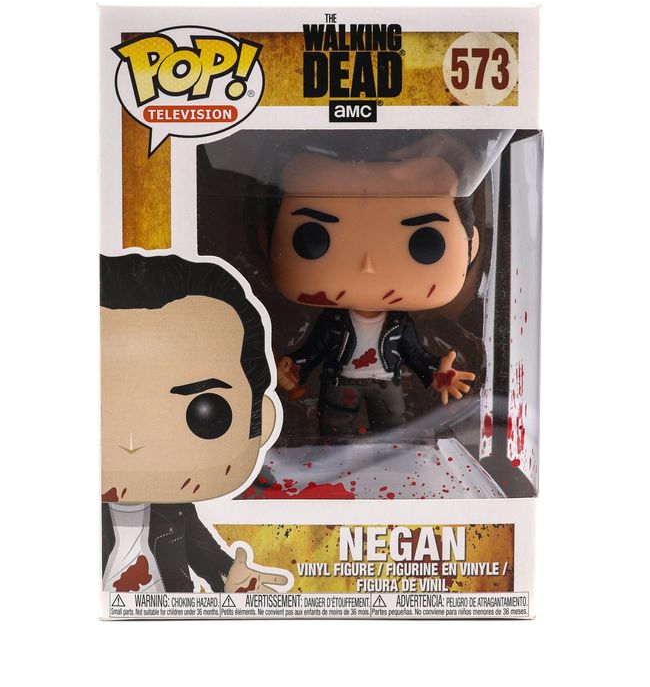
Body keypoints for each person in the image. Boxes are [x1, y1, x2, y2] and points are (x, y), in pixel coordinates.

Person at [101, 253, 288, 593]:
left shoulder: (176, 513)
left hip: (174, 614)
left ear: (262, 420)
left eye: (205, 413)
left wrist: (230, 576)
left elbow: (203, 552)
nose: (131, 443)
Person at [270, 137, 478, 438]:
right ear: (268, 240)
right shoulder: (334, 321)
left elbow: (415, 353)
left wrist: (437, 372)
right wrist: (293, 368)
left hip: (386, 383)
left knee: (392, 434)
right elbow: (313, 349)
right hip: (341, 384)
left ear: (471, 246)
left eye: (425, 243)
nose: (367, 265)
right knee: (334, 432)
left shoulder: (398, 324)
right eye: (313, 238)